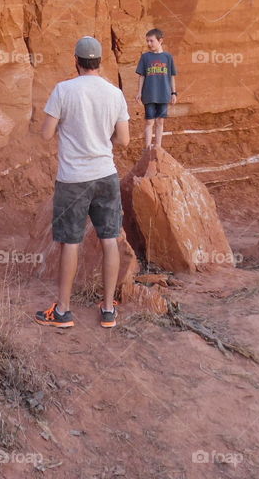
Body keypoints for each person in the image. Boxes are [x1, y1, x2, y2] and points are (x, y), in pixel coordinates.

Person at [34, 36, 130, 329]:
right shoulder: (114, 93)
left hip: (73, 179)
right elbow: (124, 140)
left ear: (76, 61)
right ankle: (108, 310)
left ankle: (63, 311)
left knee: (70, 242)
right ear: (100, 61)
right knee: (109, 240)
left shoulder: (63, 90)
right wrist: (101, 137)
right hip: (105, 174)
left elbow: (46, 134)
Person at [134, 28, 177, 148]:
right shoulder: (145, 57)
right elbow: (142, 76)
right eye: (147, 41)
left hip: (164, 94)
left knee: (160, 121)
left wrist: (173, 93)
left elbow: (172, 76)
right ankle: (148, 147)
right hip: (149, 94)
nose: (149, 44)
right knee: (149, 121)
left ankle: (158, 147)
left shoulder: (168, 57)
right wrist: (139, 92)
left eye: (151, 41)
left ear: (160, 40)